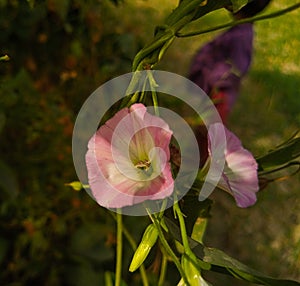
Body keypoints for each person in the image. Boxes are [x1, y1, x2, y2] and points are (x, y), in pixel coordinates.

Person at [189, 0, 271, 124]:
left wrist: (216, 81)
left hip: (217, 97)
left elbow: (239, 67)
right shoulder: (239, 29)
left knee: (207, 135)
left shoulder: (241, 36)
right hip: (211, 94)